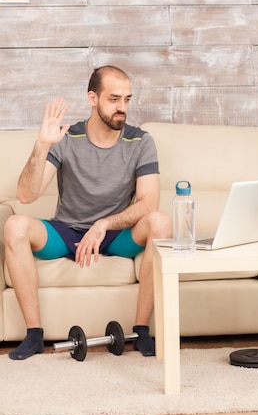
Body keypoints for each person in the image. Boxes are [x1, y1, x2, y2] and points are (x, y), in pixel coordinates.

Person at [4, 65, 172, 360]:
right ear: (92, 99)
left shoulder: (140, 141)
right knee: (15, 225)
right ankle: (33, 335)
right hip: (66, 231)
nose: (123, 108)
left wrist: (104, 224)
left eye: (128, 100)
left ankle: (141, 331)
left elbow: (148, 203)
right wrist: (42, 145)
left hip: (115, 234)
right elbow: (25, 195)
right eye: (114, 99)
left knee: (160, 222)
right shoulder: (67, 138)